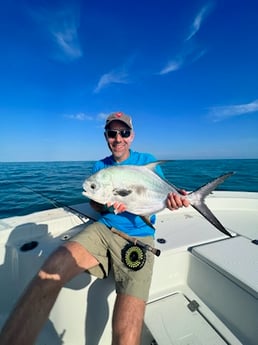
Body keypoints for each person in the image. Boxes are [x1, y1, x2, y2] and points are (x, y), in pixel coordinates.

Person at [0, 111, 189, 345]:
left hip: (139, 237)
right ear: (105, 136)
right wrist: (108, 208)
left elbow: (155, 199)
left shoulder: (146, 160)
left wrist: (174, 201)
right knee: (50, 269)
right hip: (103, 230)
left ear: (132, 136)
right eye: (112, 133)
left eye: (124, 132)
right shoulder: (100, 166)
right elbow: (95, 203)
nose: (118, 138)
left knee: (127, 331)